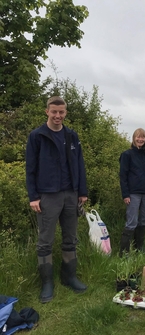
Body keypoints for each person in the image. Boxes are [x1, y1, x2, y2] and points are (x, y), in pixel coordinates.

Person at [26, 96, 88, 303]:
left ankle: (69, 276)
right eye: (54, 112)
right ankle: (47, 283)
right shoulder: (37, 136)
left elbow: (79, 164)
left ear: (66, 113)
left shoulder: (71, 136)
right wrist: (33, 196)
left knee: (71, 238)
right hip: (47, 195)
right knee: (45, 241)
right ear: (47, 112)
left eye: (61, 112)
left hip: (71, 194)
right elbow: (31, 169)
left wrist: (82, 191)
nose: (58, 116)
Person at [119, 128, 145, 255]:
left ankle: (138, 248)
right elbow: (123, 176)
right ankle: (124, 252)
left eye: (143, 137)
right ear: (134, 138)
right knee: (132, 222)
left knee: (144, 221)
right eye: (138, 137)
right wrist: (125, 194)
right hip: (133, 193)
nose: (140, 139)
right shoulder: (127, 155)